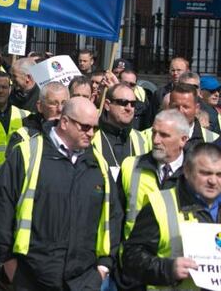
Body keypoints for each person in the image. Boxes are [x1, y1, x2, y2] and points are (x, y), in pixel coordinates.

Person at [0, 97, 123, 291]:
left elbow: (113, 216)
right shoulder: (28, 154)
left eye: (95, 128)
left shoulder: (98, 164)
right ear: (65, 122)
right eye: (85, 127)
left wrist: (103, 267)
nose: (91, 133)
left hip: (83, 280)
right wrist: (9, 264)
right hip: (31, 277)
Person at [122, 143, 221, 289]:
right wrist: (168, 269)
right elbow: (131, 259)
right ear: (187, 171)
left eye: (219, 174)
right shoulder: (161, 205)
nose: (213, 181)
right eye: (205, 173)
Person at [113, 109, 188, 290]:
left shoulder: (194, 175)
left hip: (175, 278)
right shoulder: (131, 166)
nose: (155, 140)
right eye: (154, 132)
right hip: (131, 275)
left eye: (164, 135)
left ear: (183, 140)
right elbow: (115, 218)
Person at [93, 84, 149, 181]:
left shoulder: (142, 139)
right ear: (107, 105)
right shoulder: (91, 136)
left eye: (133, 104)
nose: (129, 108)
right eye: (123, 103)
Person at [7, 82, 70, 152]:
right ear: (40, 106)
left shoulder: (78, 134)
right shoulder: (23, 136)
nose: (60, 109)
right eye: (53, 103)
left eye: (64, 103)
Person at [160, 82, 219, 150]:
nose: (180, 111)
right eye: (175, 106)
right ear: (169, 107)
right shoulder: (149, 136)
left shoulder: (213, 140)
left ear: (196, 108)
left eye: (186, 107)